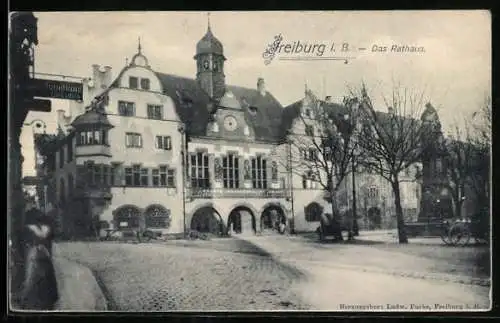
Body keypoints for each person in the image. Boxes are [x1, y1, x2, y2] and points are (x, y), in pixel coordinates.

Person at [19, 207, 59, 310]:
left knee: (31, 280)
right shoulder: (47, 229)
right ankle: (47, 301)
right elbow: (50, 239)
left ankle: (29, 301)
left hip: (34, 258)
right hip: (45, 258)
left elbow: (24, 243)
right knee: (46, 280)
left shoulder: (28, 229)